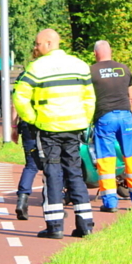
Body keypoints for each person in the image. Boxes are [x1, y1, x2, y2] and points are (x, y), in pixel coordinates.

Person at [13, 29, 96, 239]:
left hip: (49, 127)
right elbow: (89, 97)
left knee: (52, 174)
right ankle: (85, 225)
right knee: (75, 173)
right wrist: (84, 119)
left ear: (49, 43)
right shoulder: (79, 65)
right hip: (74, 127)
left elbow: (20, 97)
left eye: (38, 44)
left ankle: (55, 226)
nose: (36, 48)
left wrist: (32, 119)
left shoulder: (37, 67)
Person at [89, 40, 132, 212]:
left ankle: (110, 203)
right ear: (110, 51)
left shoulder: (91, 71)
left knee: (106, 160)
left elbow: (87, 97)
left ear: (95, 53)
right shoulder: (124, 69)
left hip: (105, 117)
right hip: (126, 116)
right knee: (131, 157)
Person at [12, 44, 44, 220]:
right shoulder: (48, 73)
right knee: (51, 164)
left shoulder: (24, 75)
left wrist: (14, 127)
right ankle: (50, 202)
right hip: (46, 124)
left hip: (26, 124)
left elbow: (16, 102)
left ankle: (22, 201)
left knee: (31, 164)